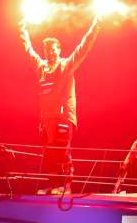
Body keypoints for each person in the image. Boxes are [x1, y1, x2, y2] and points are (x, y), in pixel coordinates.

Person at [19, 16, 102, 195]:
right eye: (47, 49)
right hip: (46, 119)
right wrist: (22, 27)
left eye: (53, 49)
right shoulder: (40, 67)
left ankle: (66, 185)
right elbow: (27, 49)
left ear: (59, 50)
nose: (50, 52)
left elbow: (83, 48)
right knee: (49, 155)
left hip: (63, 117)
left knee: (61, 151)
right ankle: (54, 184)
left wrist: (96, 24)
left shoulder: (66, 66)